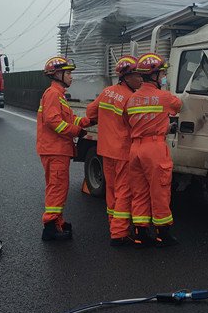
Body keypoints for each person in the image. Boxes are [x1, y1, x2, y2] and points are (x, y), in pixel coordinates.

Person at [124, 53, 182, 248]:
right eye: (163, 73)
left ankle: (140, 233)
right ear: (155, 75)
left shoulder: (132, 99)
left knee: (139, 192)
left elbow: (130, 121)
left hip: (135, 148)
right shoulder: (164, 97)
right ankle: (162, 234)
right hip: (154, 148)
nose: (164, 76)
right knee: (160, 191)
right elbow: (179, 106)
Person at [85, 56, 143, 246]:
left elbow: (90, 113)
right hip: (123, 152)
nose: (141, 79)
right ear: (126, 77)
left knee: (111, 190)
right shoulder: (131, 98)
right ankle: (119, 233)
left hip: (106, 150)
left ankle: (114, 224)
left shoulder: (107, 92)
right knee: (124, 192)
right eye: (137, 75)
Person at [37, 56, 91, 241]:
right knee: (57, 187)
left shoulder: (58, 95)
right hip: (55, 149)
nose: (71, 77)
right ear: (57, 74)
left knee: (58, 187)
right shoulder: (53, 94)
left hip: (56, 149)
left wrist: (87, 121)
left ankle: (57, 222)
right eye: (68, 73)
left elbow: (69, 119)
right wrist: (77, 131)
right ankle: (50, 227)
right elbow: (53, 122)